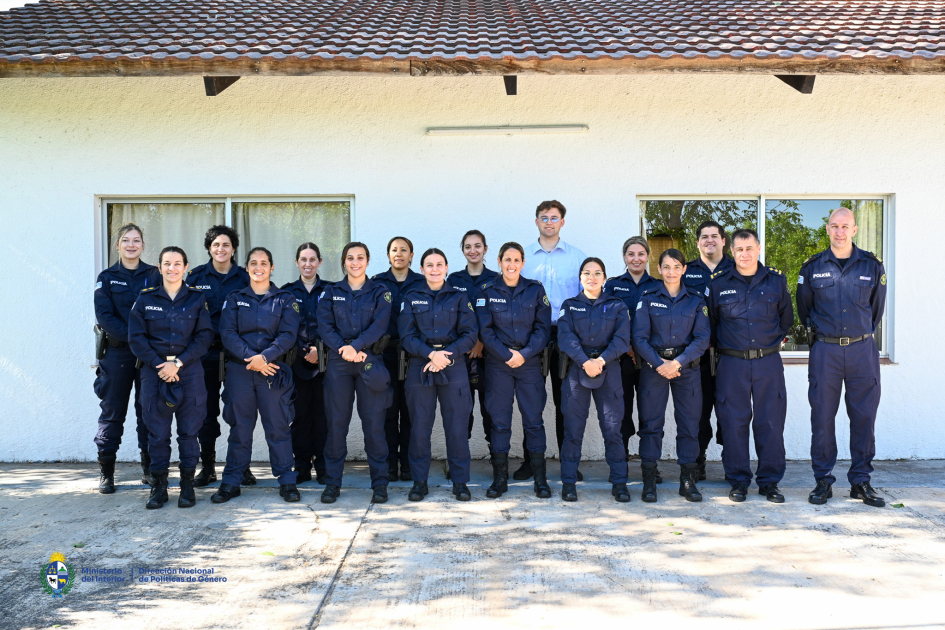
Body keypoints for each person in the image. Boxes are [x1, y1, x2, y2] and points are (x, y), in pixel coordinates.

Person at [797, 207, 888, 507]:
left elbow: (875, 311)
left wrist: (858, 335)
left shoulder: (872, 266)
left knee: (864, 417)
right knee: (822, 416)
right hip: (826, 351)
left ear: (855, 229)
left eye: (844, 226)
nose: (839, 231)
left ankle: (861, 481)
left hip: (863, 350)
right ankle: (823, 480)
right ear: (827, 230)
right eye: (834, 226)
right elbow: (804, 309)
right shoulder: (811, 268)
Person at [706, 229, 793, 503]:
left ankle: (769, 482)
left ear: (758, 249)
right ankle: (739, 481)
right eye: (739, 249)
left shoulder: (776, 281)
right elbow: (711, 325)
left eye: (749, 248)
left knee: (770, 422)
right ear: (732, 251)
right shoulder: (718, 284)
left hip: (768, 362)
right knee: (734, 423)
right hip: (732, 364)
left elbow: (786, 320)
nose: (744, 254)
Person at [211, 247, 301, 504]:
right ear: (247, 268)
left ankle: (286, 481)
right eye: (253, 263)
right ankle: (231, 481)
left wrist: (265, 358)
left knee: (279, 428)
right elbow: (227, 333)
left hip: (273, 371)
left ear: (272, 268)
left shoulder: (285, 299)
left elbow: (288, 335)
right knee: (239, 429)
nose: (258, 267)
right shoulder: (235, 297)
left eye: (263, 263)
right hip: (241, 371)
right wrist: (254, 359)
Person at [128, 246, 213, 509]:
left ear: (186, 267)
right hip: (154, 375)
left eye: (177, 264)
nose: (172, 268)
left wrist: (177, 363)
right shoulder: (145, 299)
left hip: (189, 373)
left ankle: (187, 485)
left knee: (189, 433)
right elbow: (136, 338)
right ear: (160, 267)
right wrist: (159, 364)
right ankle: (159, 486)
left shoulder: (197, 299)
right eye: (167, 263)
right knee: (157, 434)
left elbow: (204, 337)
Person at [399, 248, 478, 502]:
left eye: (439, 264)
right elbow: (406, 336)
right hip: (420, 366)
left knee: (456, 427)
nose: (434, 269)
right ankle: (420, 482)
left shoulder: (458, 298)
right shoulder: (411, 297)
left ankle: (460, 481)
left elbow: (470, 335)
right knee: (419, 427)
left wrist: (445, 355)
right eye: (429, 265)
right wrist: (430, 354)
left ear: (446, 268)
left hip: (453, 366)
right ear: (421, 269)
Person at [632, 249, 711, 503]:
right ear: (659, 269)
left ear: (684, 269)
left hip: (686, 368)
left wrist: (676, 363)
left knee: (689, 424)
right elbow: (639, 338)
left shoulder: (696, 300)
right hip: (653, 368)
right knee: (651, 424)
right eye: (666, 267)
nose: (671, 272)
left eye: (676, 266)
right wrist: (659, 364)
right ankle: (649, 478)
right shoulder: (647, 297)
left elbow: (702, 339)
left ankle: (687, 479)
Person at [475, 242, 552, 498]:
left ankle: (540, 479)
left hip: (528, 363)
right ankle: (500, 479)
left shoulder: (534, 290)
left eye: (516, 260)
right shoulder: (487, 291)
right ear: (499, 261)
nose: (511, 264)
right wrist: (507, 355)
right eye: (507, 259)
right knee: (499, 422)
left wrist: (524, 354)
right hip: (499, 364)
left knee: (534, 421)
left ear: (523, 263)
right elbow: (485, 331)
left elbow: (543, 329)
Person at [318, 242, 393, 505]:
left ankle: (380, 484)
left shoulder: (380, 292)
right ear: (344, 262)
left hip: (368, 359)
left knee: (374, 426)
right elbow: (325, 326)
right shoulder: (331, 292)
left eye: (360, 257)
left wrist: (356, 347)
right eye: (350, 258)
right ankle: (332, 483)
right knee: (337, 425)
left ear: (368, 261)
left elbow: (379, 325)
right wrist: (344, 349)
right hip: (339, 362)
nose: (355, 262)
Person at [518, 200, 587, 481]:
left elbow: (587, 297)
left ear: (562, 223)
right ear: (536, 221)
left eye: (554, 217)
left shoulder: (577, 257)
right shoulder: (523, 258)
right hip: (530, 335)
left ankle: (568, 461)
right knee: (530, 400)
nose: (549, 222)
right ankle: (530, 462)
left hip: (564, 335)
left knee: (566, 401)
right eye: (544, 217)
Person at [557, 257, 632, 502]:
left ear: (604, 277)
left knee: (613, 430)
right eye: (587, 273)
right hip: (577, 371)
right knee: (573, 431)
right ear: (580, 278)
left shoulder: (617, 305)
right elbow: (565, 338)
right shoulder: (569, 305)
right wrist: (585, 361)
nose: (592, 277)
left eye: (597, 273)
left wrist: (599, 361)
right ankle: (568, 483)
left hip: (608, 371)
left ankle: (620, 483)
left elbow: (622, 340)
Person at [93, 223, 161, 493]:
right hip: (117, 354)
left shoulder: (155, 275)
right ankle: (107, 471)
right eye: (126, 240)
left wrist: (144, 345)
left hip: (148, 356)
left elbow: (162, 312)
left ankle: (149, 469)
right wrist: (136, 339)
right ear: (118, 245)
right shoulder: (107, 277)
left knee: (148, 412)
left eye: (136, 241)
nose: (131, 245)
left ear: (143, 246)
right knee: (112, 412)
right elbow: (104, 316)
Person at [185, 225, 253, 488]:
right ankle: (209, 467)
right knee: (205, 412)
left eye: (226, 244)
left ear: (234, 248)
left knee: (239, 411)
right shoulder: (195, 277)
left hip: (238, 354)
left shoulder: (246, 278)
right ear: (209, 248)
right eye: (216, 245)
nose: (221, 249)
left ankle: (241, 466)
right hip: (205, 354)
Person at [603, 236, 661, 473]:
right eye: (631, 254)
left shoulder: (658, 286)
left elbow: (663, 321)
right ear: (624, 257)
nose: (636, 258)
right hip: (622, 358)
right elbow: (606, 319)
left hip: (650, 360)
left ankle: (650, 464)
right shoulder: (613, 285)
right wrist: (625, 344)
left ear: (648, 256)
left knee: (651, 412)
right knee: (621, 412)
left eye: (641, 254)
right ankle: (621, 462)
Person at [684, 220, 735, 480]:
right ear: (698, 242)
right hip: (698, 356)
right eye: (704, 237)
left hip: (730, 354)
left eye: (715, 236)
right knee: (698, 411)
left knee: (730, 410)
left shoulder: (737, 267)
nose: (709, 240)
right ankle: (698, 461)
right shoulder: (688, 271)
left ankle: (732, 461)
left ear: (724, 241)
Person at [371, 237, 424, 482]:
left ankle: (409, 463)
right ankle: (391, 461)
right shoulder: (377, 283)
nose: (399, 254)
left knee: (412, 410)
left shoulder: (422, 282)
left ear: (412, 255)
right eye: (394, 250)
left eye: (404, 250)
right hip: (386, 354)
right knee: (388, 410)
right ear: (388, 255)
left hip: (415, 356)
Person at [282, 243, 330, 484]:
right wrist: (304, 352)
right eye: (303, 259)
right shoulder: (287, 293)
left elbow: (335, 324)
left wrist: (319, 351)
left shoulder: (332, 291)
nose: (308, 264)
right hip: (297, 365)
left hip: (326, 365)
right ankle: (301, 465)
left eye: (313, 259)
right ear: (297, 263)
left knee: (323, 417)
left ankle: (322, 464)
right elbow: (282, 329)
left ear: (319, 262)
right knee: (299, 417)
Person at [447, 230, 499, 453]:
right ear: (463, 250)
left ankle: (497, 460)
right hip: (460, 355)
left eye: (477, 246)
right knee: (461, 410)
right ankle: (459, 458)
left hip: (491, 355)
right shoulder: (454, 280)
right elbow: (448, 316)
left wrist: (482, 343)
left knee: (492, 409)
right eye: (468, 246)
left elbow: (500, 317)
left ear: (485, 249)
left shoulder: (496, 279)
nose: (473, 250)